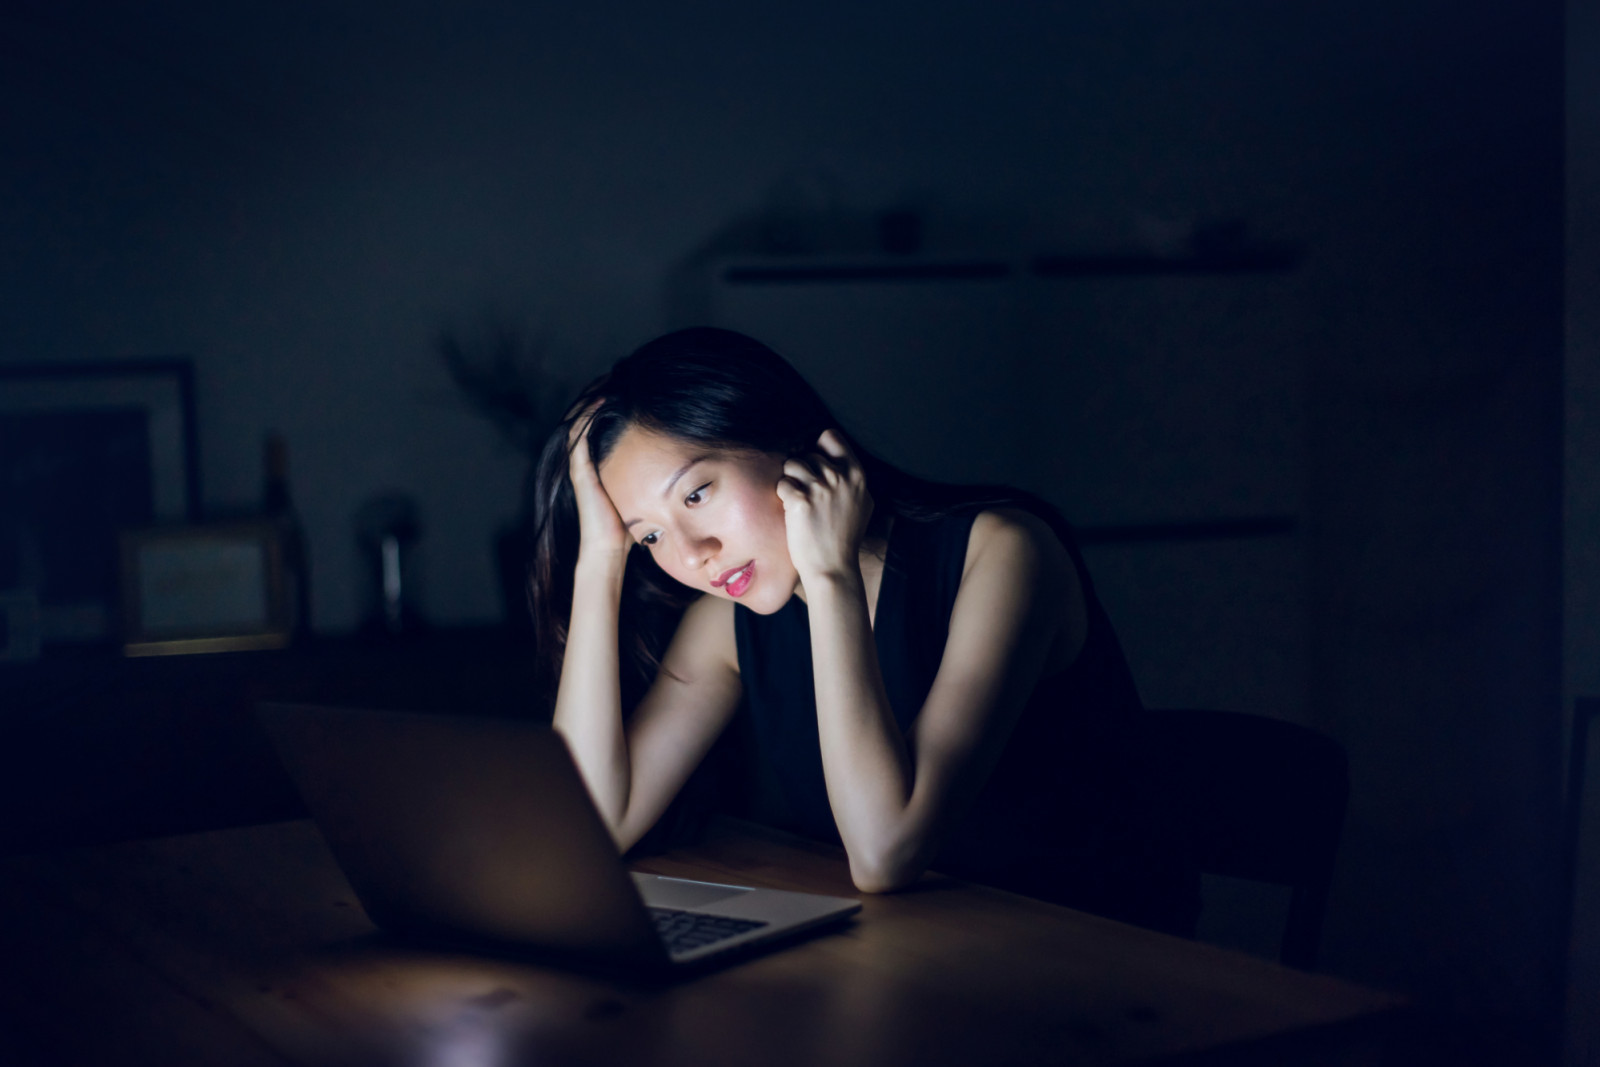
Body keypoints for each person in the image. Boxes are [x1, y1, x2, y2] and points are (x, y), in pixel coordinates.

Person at [528, 327, 1197, 935]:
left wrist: (831, 578)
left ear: (783, 437)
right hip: (922, 961)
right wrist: (600, 560)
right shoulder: (725, 623)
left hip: (1097, 968)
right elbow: (588, 830)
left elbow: (886, 852)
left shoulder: (1005, 552)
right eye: (649, 535)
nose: (692, 553)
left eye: (696, 493)